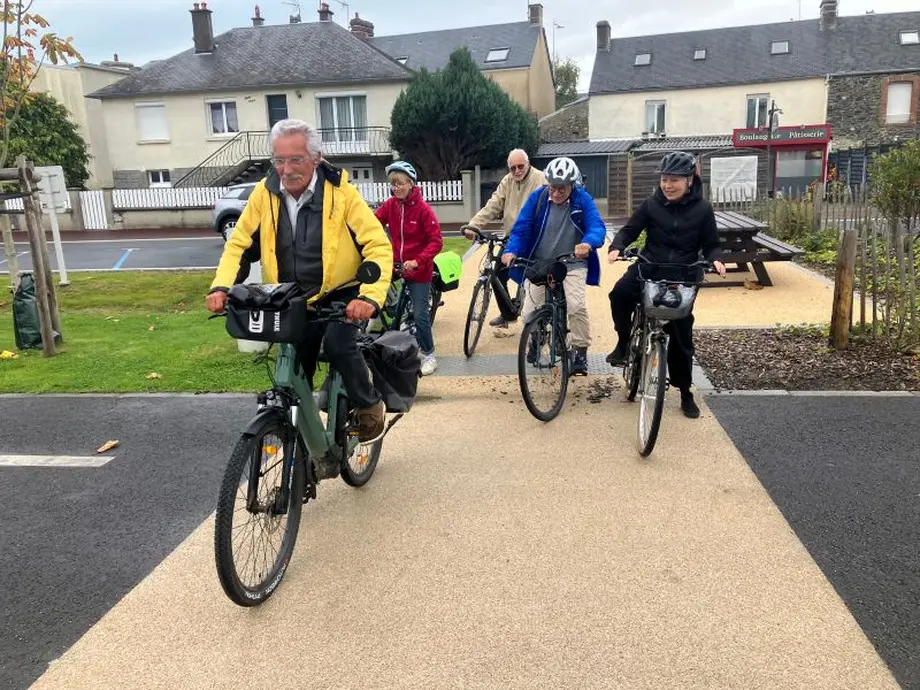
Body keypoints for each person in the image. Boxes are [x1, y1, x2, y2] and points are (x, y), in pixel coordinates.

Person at [205, 118, 394, 449]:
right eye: (279, 160)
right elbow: (238, 244)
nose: (286, 169)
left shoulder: (342, 193)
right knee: (294, 375)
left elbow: (377, 246)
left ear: (316, 158)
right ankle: (302, 447)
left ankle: (369, 404)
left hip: (341, 292)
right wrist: (220, 286)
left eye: (296, 159)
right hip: (291, 297)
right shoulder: (264, 194)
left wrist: (369, 297)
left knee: (338, 345)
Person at [606, 151, 727, 419]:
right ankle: (624, 341)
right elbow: (630, 230)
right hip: (650, 266)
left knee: (681, 334)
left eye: (674, 180)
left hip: (683, 274)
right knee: (620, 293)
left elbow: (711, 245)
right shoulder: (651, 204)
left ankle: (685, 391)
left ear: (689, 180)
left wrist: (716, 259)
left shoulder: (703, 209)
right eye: (664, 179)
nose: (668, 186)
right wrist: (617, 246)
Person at [501, 157, 607, 376]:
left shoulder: (582, 199)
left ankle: (580, 351)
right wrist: (511, 250)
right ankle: (536, 337)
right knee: (529, 313)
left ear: (572, 185)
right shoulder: (538, 198)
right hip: (540, 261)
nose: (556, 193)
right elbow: (521, 227)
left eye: (562, 188)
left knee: (576, 306)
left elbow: (596, 226)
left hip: (572, 261)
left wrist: (588, 243)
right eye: (552, 187)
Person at [464, 148, 547, 328]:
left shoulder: (540, 179)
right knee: (497, 275)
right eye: (512, 168)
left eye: (520, 166)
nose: (517, 171)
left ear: (528, 164)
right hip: (512, 237)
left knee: (533, 279)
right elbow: (493, 205)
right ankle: (508, 314)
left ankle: (539, 320)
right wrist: (474, 225)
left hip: (533, 239)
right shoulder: (507, 181)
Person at [374, 160, 443, 376]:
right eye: (393, 184)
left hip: (419, 270)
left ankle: (429, 355)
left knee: (420, 314)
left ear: (411, 183)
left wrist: (417, 261)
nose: (396, 188)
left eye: (400, 183)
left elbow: (436, 242)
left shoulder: (423, 210)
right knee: (370, 287)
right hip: (396, 264)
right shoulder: (390, 205)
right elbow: (373, 224)